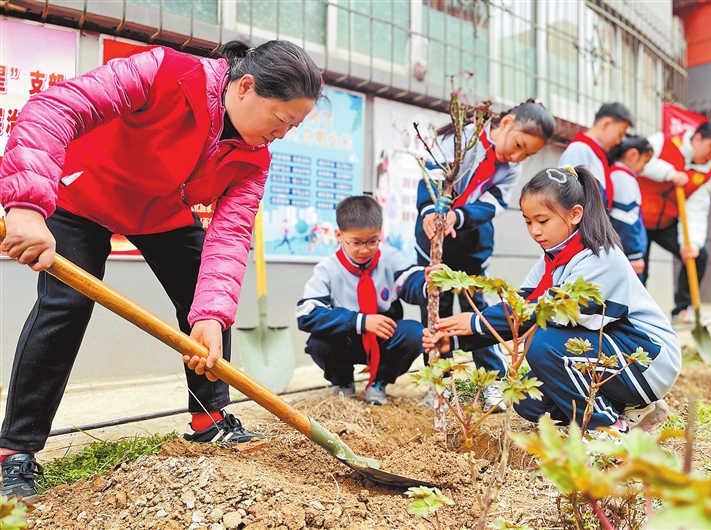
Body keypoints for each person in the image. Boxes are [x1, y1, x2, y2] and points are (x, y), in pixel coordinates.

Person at [0, 40, 323, 502]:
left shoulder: (253, 157)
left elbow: (229, 240)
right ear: (246, 87)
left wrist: (210, 316)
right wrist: (28, 207)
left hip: (160, 212)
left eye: (294, 126)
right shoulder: (166, 72)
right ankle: (15, 450)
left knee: (206, 301)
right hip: (81, 194)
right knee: (66, 303)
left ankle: (208, 419)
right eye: (281, 120)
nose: (283, 134)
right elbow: (55, 108)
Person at [423, 165, 681, 436]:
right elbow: (521, 306)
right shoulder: (554, 258)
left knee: (542, 341)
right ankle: (634, 409)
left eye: (543, 221)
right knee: (527, 399)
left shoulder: (601, 257)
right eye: (527, 221)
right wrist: (455, 340)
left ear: (575, 214)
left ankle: (608, 429)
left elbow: (545, 310)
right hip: (616, 355)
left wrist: (476, 321)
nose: (534, 231)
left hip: (648, 361)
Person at [415, 99, 555, 412]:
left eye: (526, 154)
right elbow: (430, 181)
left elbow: (490, 206)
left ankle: (491, 381)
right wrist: (432, 212)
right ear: (506, 123)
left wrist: (457, 217)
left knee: (480, 311)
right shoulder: (459, 141)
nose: (517, 156)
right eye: (518, 144)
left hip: (472, 243)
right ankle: (441, 382)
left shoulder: (510, 168)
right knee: (436, 310)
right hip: (433, 239)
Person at [296, 196, 425, 405]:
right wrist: (361, 321)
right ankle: (343, 383)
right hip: (346, 338)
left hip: (383, 337)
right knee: (320, 341)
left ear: (380, 234)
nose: (365, 250)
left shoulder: (390, 258)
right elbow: (306, 314)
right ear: (339, 235)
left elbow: (411, 279)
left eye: (372, 241)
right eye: (356, 242)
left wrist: (428, 282)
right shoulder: (327, 269)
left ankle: (378, 383)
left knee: (414, 333)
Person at [638, 120, 711, 327]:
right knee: (639, 267)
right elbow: (641, 162)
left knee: (698, 256)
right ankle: (636, 317)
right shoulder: (664, 142)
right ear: (698, 138)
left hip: (666, 223)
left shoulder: (706, 173)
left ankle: (682, 310)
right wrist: (670, 173)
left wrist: (692, 244)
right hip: (639, 219)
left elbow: (697, 209)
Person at [558, 102, 634, 209]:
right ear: (606, 124)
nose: (618, 141)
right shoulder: (579, 150)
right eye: (620, 134)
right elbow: (566, 196)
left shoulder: (596, 155)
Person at [606, 135, 654, 279]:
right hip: (627, 255)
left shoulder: (619, 175)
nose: (644, 169)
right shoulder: (623, 178)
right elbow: (626, 219)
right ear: (632, 155)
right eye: (645, 162)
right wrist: (634, 254)